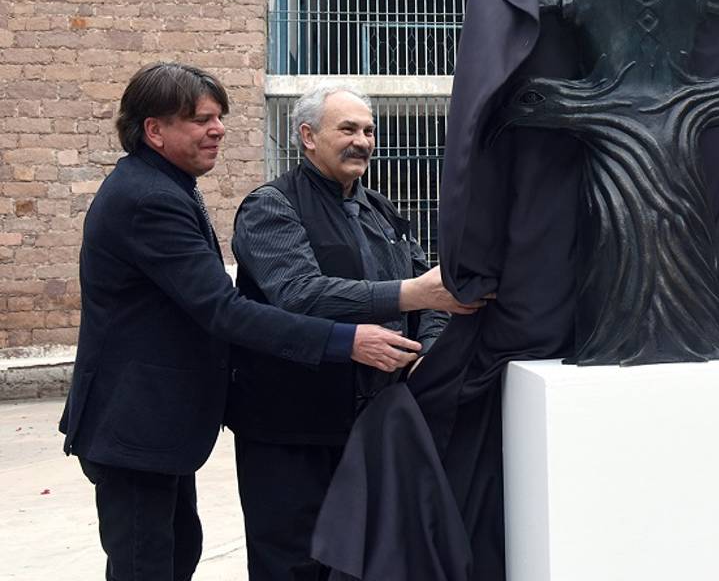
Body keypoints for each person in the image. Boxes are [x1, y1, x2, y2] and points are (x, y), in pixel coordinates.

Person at [60, 63, 419, 581]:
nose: (219, 130)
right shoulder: (152, 198)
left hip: (162, 429)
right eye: (201, 119)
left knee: (176, 554)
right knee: (150, 564)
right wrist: (348, 341)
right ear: (154, 130)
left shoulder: (168, 186)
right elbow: (228, 309)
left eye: (219, 118)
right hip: (139, 424)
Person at [227, 85, 487, 581]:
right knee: (294, 562)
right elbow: (299, 293)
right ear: (307, 136)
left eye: (369, 130)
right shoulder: (270, 207)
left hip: (371, 424)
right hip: (290, 430)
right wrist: (409, 294)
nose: (363, 141)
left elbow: (431, 294)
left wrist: (427, 350)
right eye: (347, 129)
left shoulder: (381, 211)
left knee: (367, 561)